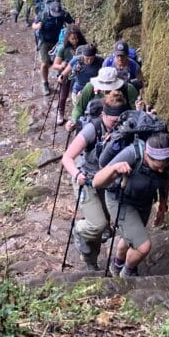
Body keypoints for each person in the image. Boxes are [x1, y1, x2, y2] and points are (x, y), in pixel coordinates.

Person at [61, 89, 126, 270]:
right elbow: (67, 158)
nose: (116, 124)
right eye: (113, 121)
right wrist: (77, 175)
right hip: (86, 181)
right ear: (104, 115)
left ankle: (91, 260)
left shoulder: (123, 128)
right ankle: (79, 230)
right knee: (98, 225)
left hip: (108, 182)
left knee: (102, 223)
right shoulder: (92, 129)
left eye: (119, 120)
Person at [93, 131, 169, 278]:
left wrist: (163, 203)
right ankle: (127, 275)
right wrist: (114, 168)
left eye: (164, 166)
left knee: (131, 237)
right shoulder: (131, 154)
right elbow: (96, 181)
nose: (161, 170)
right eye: (157, 167)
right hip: (121, 201)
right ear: (147, 155)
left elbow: (165, 180)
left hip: (144, 201)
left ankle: (117, 264)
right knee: (143, 246)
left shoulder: (167, 159)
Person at [67, 66, 138, 131]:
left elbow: (134, 112)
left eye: (108, 89)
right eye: (102, 87)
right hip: (94, 126)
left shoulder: (128, 89)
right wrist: (73, 120)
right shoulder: (90, 88)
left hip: (121, 127)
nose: (104, 91)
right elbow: (79, 108)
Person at [33, 0, 74, 94]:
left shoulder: (64, 13)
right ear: (50, 10)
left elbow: (71, 23)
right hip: (45, 40)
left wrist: (75, 27)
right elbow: (33, 25)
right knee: (45, 63)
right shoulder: (44, 14)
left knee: (62, 61)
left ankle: (61, 79)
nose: (57, 16)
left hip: (59, 40)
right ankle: (45, 83)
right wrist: (37, 26)